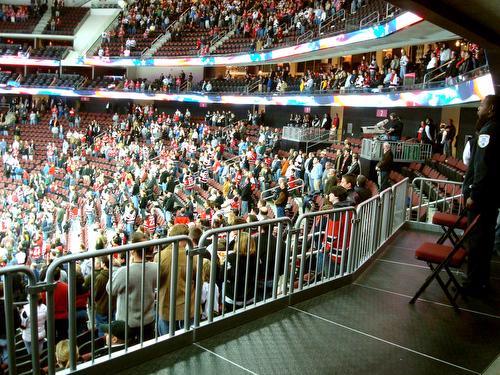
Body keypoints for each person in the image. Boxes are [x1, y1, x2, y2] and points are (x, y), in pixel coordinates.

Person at [462, 95, 500, 295]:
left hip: (481, 199)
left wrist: (473, 195)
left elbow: (481, 167)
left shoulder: (488, 132)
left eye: (482, 105)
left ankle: (473, 284)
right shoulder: (494, 128)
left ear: (491, 108)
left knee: (477, 241)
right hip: (491, 198)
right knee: (485, 240)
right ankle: (482, 281)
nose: (478, 108)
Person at [107, 232, 157, 344]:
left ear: (132, 250)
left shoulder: (124, 272)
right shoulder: (155, 268)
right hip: (148, 321)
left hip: (127, 324)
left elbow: (110, 289)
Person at [154, 224, 198, 335]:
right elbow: (199, 280)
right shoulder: (193, 256)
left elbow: (156, 281)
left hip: (166, 303)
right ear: (184, 238)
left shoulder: (160, 256)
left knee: (166, 339)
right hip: (188, 304)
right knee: (188, 337)